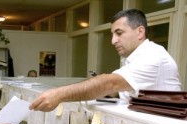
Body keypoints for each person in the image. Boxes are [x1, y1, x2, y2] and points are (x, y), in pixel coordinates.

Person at [29, 9, 181, 112]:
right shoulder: (132, 58)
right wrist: (105, 91)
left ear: (140, 32)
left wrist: (58, 94)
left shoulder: (153, 56)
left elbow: (109, 83)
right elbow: (118, 91)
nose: (113, 41)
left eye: (119, 33)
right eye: (113, 34)